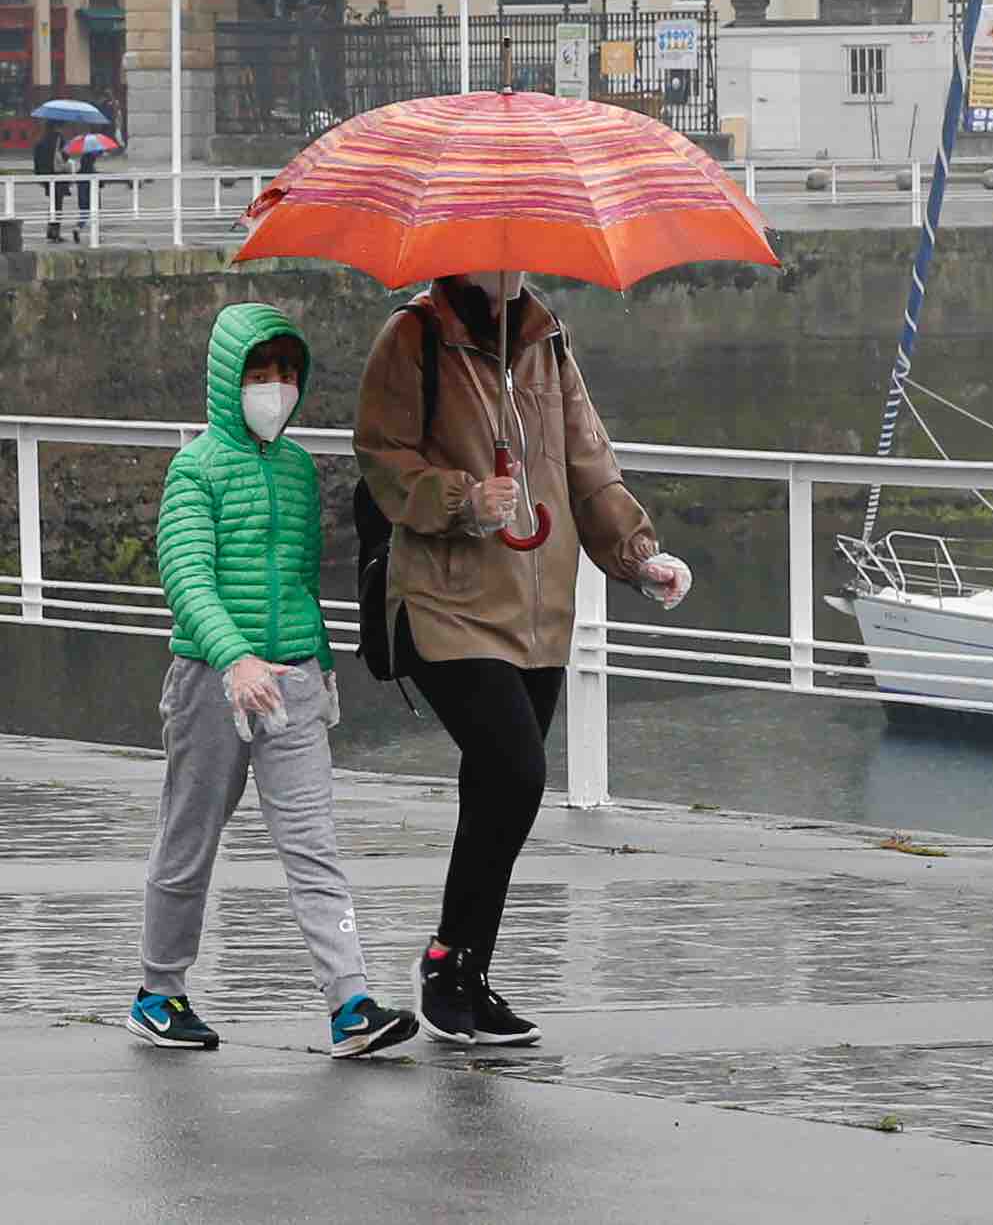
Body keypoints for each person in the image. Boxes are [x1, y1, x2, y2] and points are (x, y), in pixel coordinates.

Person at [355, 271, 692, 1046]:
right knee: (516, 767)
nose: (506, 267)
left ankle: (463, 969)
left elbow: (588, 465)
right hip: (444, 600)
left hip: (538, 609)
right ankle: (449, 961)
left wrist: (639, 558)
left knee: (499, 790)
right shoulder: (412, 336)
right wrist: (463, 499)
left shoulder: (547, 340)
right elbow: (381, 458)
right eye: (489, 248)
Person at [134, 303, 420, 1058]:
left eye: (286, 374)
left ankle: (350, 1002)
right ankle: (158, 991)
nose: (275, 388)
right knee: (188, 841)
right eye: (259, 374)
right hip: (209, 681)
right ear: (227, 380)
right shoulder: (193, 469)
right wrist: (233, 659)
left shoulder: (297, 471)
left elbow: (295, 582)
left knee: (314, 844)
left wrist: (318, 662)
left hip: (288, 683)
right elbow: (187, 577)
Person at [32, 122, 62, 244]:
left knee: (52, 203)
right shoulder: (58, 138)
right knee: (58, 204)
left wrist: (39, 175)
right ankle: (55, 232)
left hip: (45, 175)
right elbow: (64, 155)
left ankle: (51, 230)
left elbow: (36, 160)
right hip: (58, 175)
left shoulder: (40, 140)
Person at [75, 141, 98, 244]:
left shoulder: (81, 172)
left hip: (82, 195)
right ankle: (79, 229)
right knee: (91, 213)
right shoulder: (92, 172)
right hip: (90, 196)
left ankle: (79, 228)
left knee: (85, 213)